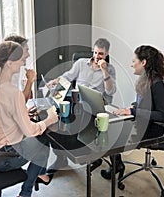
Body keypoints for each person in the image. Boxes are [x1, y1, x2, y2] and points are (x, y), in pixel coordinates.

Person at [0, 40, 58, 197]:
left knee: (39, 137)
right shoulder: (12, 93)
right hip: (5, 157)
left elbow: (2, 118)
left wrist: (22, 116)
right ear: (10, 63)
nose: (24, 61)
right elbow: (30, 131)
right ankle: (26, 192)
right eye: (21, 59)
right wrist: (50, 119)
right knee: (44, 140)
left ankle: (39, 177)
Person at [100, 45, 164, 179]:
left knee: (113, 132)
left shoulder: (157, 85)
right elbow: (144, 105)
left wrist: (134, 111)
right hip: (146, 122)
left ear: (143, 62)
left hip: (158, 129)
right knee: (112, 127)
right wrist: (130, 109)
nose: (131, 64)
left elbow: (163, 115)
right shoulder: (145, 80)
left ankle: (116, 165)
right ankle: (117, 163)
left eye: (134, 61)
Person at [47, 38, 117, 172]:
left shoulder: (110, 69)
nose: (97, 56)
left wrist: (105, 72)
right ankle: (61, 158)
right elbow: (68, 76)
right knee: (56, 125)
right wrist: (55, 81)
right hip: (77, 103)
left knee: (83, 129)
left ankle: (94, 156)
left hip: (96, 107)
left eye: (101, 54)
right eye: (95, 52)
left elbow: (110, 91)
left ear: (107, 54)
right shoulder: (81, 63)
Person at [4, 34, 36, 103]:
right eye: (26, 50)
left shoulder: (13, 69)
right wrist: (30, 80)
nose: (28, 55)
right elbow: (20, 102)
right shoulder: (6, 74)